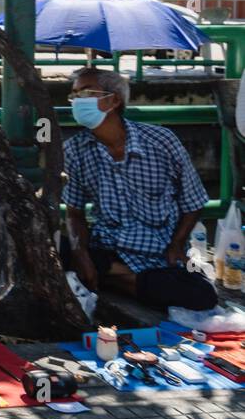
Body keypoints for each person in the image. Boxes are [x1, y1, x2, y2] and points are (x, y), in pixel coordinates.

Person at [61, 67, 217, 311]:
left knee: (202, 295)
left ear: (113, 100)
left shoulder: (161, 141)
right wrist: (80, 253)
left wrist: (177, 245)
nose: (77, 101)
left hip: (159, 254)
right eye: (74, 94)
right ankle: (119, 278)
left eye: (86, 92)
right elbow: (74, 212)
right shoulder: (74, 150)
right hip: (107, 248)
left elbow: (193, 202)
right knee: (56, 249)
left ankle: (114, 279)